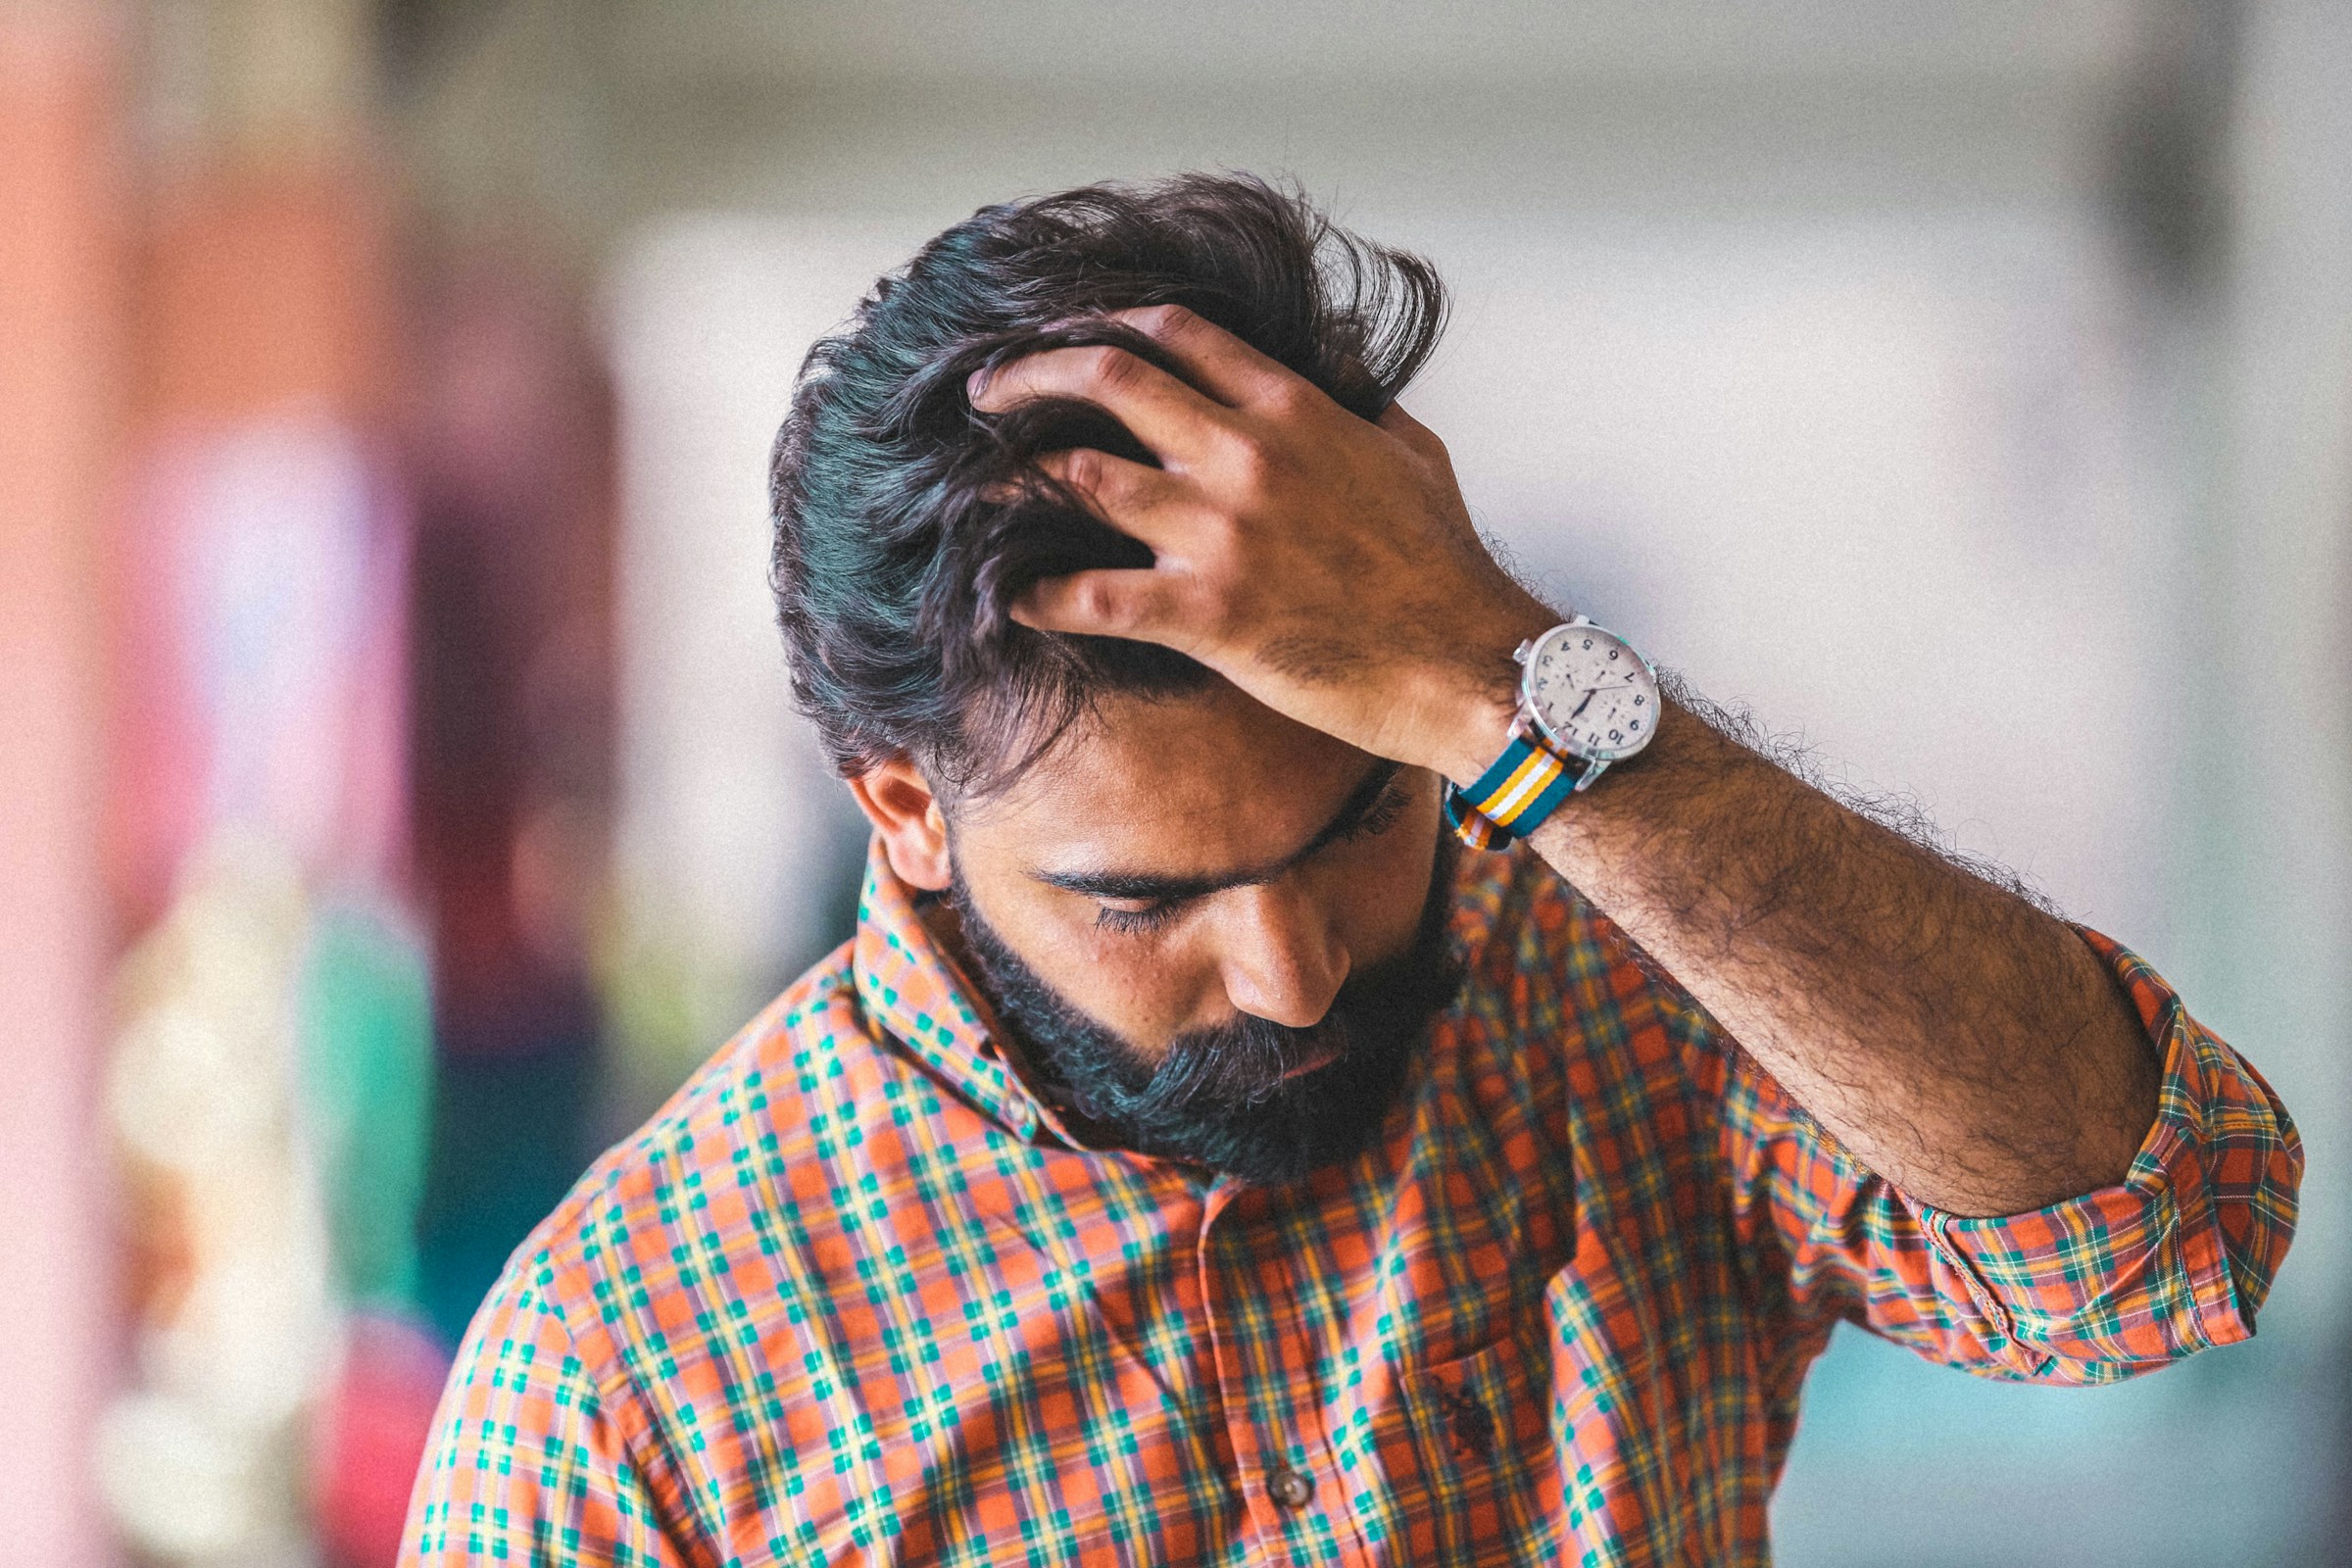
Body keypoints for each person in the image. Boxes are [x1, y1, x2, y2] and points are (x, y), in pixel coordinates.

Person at [400, 174, 2301, 1566]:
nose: (1299, 969)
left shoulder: (1606, 985)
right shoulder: (628, 1374)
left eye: (1367, 814)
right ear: (899, 807)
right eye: (1145, 899)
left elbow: (2166, 1249)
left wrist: (1513, 678)